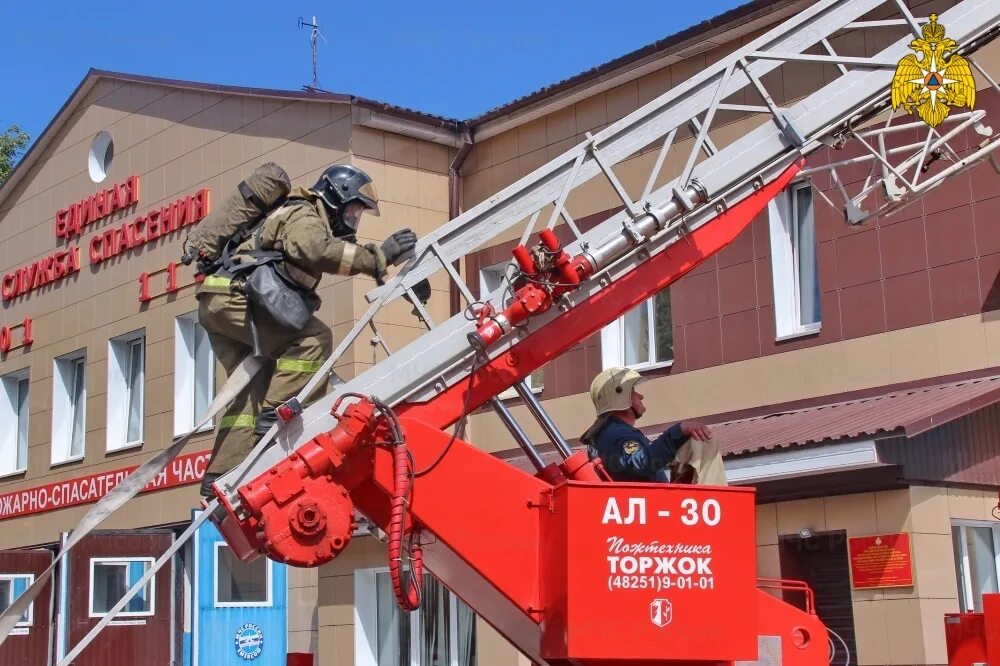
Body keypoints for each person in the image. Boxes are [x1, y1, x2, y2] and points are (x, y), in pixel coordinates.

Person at [196, 164, 426, 498]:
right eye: (353, 212)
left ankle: (221, 473)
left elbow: (328, 249)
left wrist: (402, 273)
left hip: (218, 302)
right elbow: (316, 250)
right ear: (335, 197)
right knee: (313, 339)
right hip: (237, 298)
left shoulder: (296, 214)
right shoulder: (304, 215)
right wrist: (380, 257)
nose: (354, 220)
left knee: (251, 388)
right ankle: (274, 427)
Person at [582, 367, 727, 485]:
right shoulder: (617, 434)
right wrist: (679, 431)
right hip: (651, 509)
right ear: (621, 398)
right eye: (633, 392)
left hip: (644, 507)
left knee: (691, 441)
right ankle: (718, 501)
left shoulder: (606, 435)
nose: (640, 396)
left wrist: (679, 438)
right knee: (703, 438)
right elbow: (642, 463)